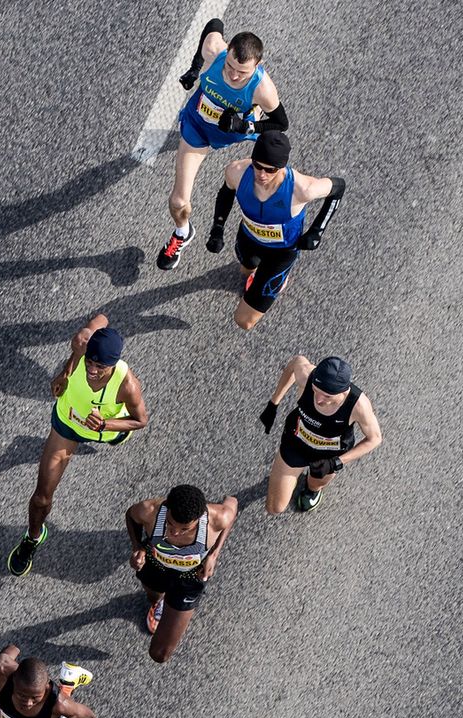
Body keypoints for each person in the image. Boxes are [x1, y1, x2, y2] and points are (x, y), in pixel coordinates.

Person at [8, 314, 150, 577]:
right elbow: (103, 318)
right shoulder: (83, 343)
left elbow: (141, 420)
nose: (92, 370)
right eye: (90, 362)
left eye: (100, 366)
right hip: (68, 425)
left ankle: (98, 437)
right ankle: (33, 536)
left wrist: (106, 425)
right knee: (41, 497)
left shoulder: (128, 385)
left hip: (105, 432)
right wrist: (65, 372)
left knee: (114, 437)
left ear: (114, 363)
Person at [157, 22, 287, 270]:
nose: (234, 75)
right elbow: (214, 24)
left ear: (256, 67)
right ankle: (183, 232)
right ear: (226, 52)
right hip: (198, 131)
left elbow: (281, 122)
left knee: (277, 153)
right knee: (178, 201)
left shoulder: (263, 89)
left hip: (234, 134)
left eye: (242, 72)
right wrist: (195, 69)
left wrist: (244, 127)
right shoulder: (215, 50)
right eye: (230, 66)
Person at [201, 130, 346, 330]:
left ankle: (275, 279)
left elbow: (339, 188)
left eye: (270, 170)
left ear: (281, 166)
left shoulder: (302, 189)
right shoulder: (237, 171)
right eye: (257, 166)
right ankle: (254, 274)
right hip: (249, 237)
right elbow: (226, 193)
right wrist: (217, 228)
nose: (261, 174)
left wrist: (317, 231)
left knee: (244, 321)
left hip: (281, 253)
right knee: (246, 268)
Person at [124, 485, 238, 663]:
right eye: (169, 523)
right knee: (153, 596)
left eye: (185, 529)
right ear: (166, 509)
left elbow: (232, 510)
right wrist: (137, 547)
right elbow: (131, 516)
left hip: (189, 579)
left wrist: (214, 554)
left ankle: (169, 605)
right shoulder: (150, 510)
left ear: (198, 519)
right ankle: (158, 603)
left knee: (159, 654)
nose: (175, 532)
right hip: (155, 566)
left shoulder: (218, 518)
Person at [261, 354, 384, 514]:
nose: (318, 399)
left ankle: (312, 490)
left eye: (327, 396)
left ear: (344, 391)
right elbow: (296, 362)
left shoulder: (358, 405)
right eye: (315, 390)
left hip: (328, 457)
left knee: (315, 482)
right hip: (296, 445)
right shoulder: (307, 376)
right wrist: (273, 404)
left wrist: (336, 463)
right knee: (274, 508)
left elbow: (375, 438)